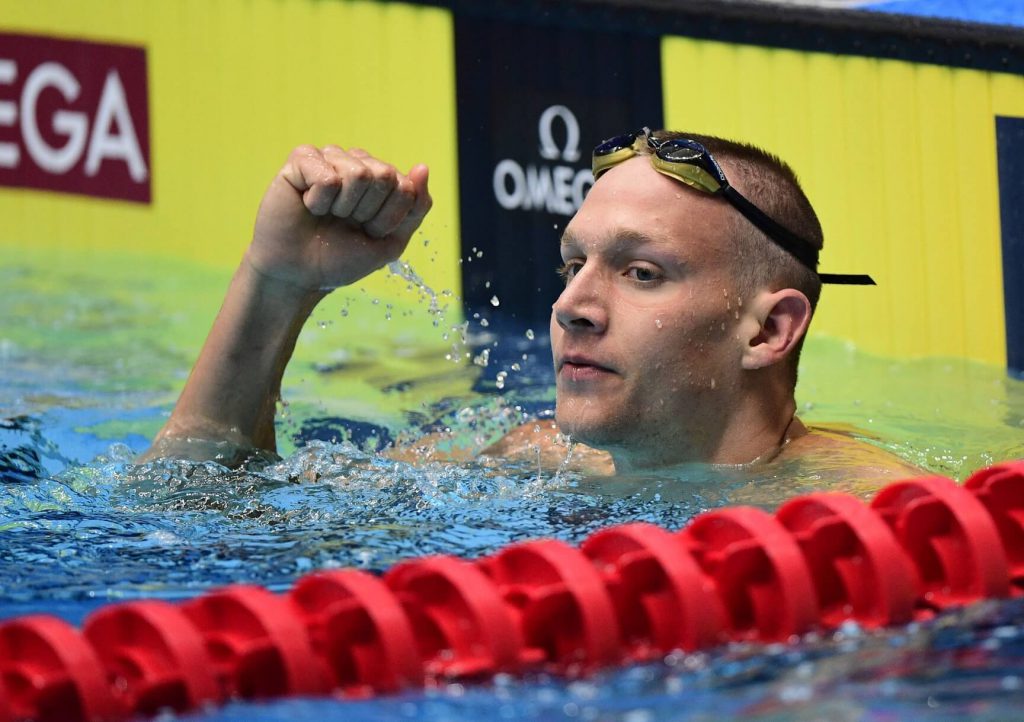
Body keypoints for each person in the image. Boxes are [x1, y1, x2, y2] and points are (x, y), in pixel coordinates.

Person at [139, 132, 924, 483]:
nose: (573, 307)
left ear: (769, 331)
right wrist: (278, 282)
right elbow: (197, 508)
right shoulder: (533, 459)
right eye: (572, 265)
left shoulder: (874, 511)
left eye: (641, 273)